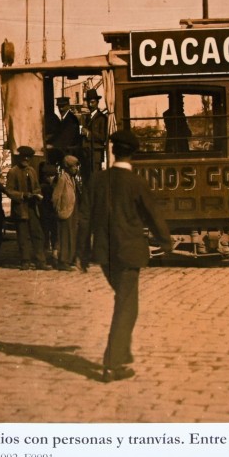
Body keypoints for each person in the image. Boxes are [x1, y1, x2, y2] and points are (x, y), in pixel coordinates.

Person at [80, 128, 173, 383]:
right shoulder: (137, 183)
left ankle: (121, 356)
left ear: (112, 150)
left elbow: (84, 217)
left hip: (103, 253)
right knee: (126, 306)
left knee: (123, 302)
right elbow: (152, 214)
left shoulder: (97, 179)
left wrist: (82, 252)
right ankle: (113, 363)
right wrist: (165, 241)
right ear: (134, 153)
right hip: (129, 252)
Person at [6, 146, 49, 270]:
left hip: (32, 208)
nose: (26, 160)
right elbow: (9, 191)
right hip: (21, 208)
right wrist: (23, 195)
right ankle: (25, 261)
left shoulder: (32, 171)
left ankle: (40, 261)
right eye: (24, 157)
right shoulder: (13, 172)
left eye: (28, 158)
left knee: (38, 234)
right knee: (23, 236)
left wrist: (37, 194)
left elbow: (36, 187)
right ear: (20, 157)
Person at [51, 154, 81, 271]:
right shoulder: (63, 178)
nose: (76, 169)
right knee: (65, 236)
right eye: (73, 167)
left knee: (72, 235)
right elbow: (55, 196)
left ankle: (69, 258)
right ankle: (63, 261)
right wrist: (59, 209)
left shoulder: (72, 178)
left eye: (76, 167)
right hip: (65, 211)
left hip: (73, 211)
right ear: (68, 167)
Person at [81, 87, 109, 184]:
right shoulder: (87, 118)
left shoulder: (102, 118)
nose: (90, 105)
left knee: (95, 179)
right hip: (87, 154)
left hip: (96, 154)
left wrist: (88, 133)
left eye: (92, 102)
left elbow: (103, 137)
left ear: (97, 102)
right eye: (89, 102)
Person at [46, 96, 81, 161]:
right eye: (59, 106)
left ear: (68, 106)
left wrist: (53, 145)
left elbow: (66, 138)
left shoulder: (71, 119)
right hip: (64, 148)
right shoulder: (65, 118)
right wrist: (49, 141)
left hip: (69, 151)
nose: (61, 109)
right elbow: (58, 135)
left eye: (63, 106)